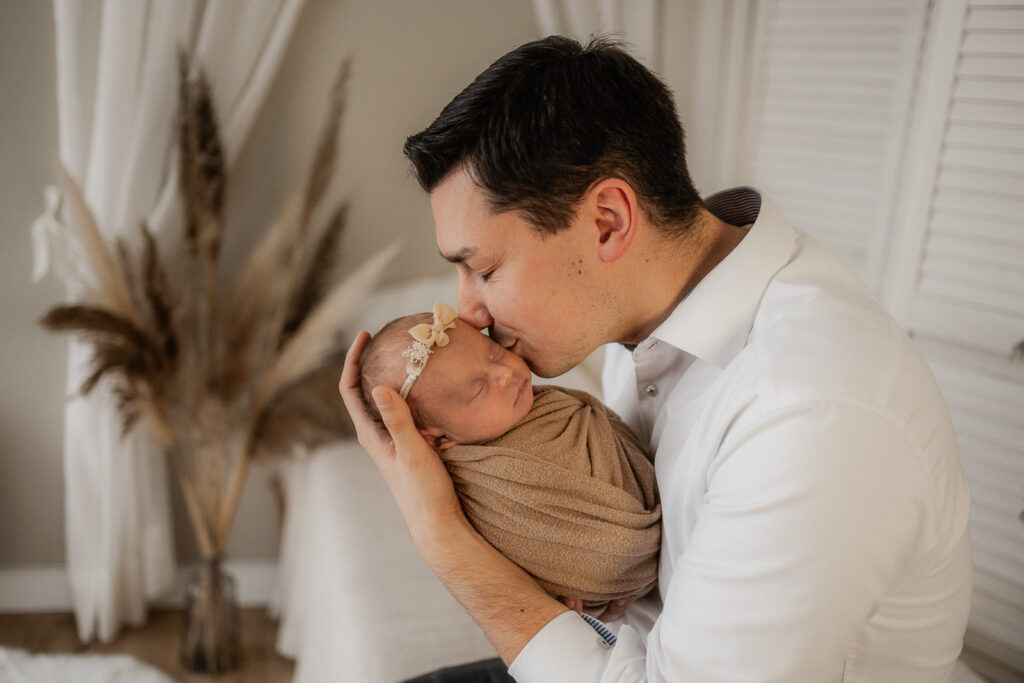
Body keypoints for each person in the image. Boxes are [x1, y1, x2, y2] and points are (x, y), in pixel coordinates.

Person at [339, 35, 973, 682]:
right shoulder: (646, 313)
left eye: (483, 269)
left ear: (609, 221)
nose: (468, 311)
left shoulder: (808, 410)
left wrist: (444, 540)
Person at [358, 302, 661, 613]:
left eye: (493, 352)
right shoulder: (470, 484)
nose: (504, 372)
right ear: (439, 438)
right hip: (602, 583)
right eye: (478, 389)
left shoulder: (549, 408)